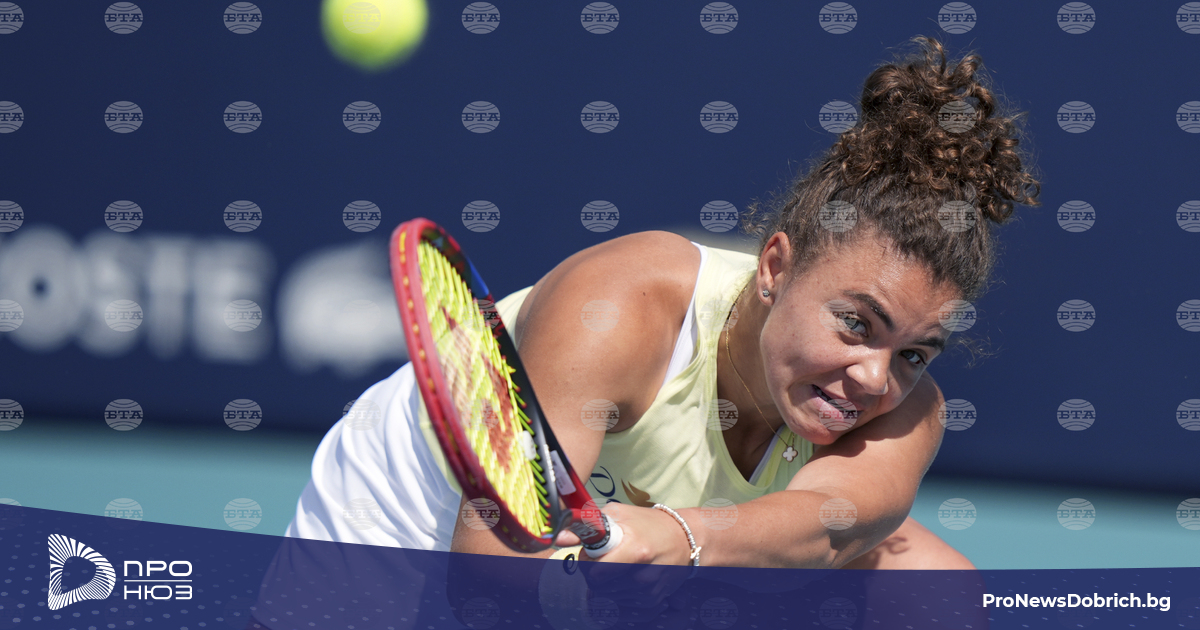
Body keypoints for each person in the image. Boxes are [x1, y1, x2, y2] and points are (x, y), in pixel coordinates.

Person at [285, 36, 1040, 571]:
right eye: (855, 324)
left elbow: (826, 528)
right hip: (404, 524)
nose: (875, 378)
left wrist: (676, 537)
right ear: (775, 267)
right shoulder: (623, 306)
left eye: (914, 353)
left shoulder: (905, 413)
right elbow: (491, 581)